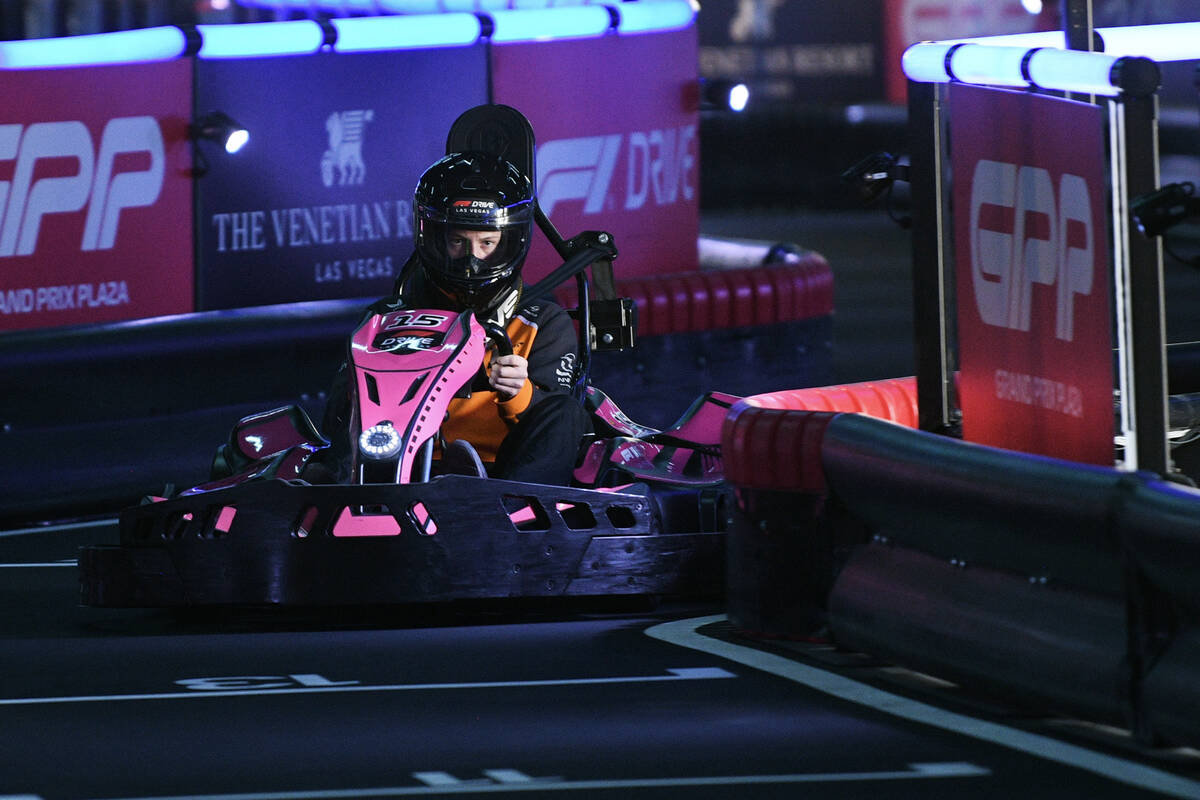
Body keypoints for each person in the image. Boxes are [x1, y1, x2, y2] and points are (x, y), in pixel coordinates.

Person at [310, 151, 590, 486]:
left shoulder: (542, 321)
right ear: (436, 240)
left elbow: (554, 418)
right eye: (459, 241)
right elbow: (335, 419)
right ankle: (346, 499)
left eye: (487, 243)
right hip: (398, 468)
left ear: (510, 241)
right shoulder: (384, 319)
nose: (472, 260)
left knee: (567, 413)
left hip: (499, 475)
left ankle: (517, 513)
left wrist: (519, 391)